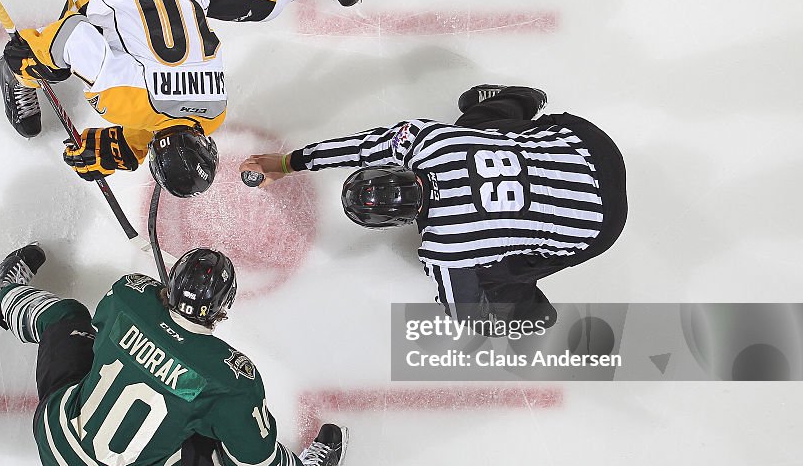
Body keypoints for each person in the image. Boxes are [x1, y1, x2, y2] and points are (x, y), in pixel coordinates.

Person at [0, 0, 361, 197]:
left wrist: (130, 146)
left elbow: (160, 108)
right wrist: (31, 62)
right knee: (47, 53)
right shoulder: (122, 103)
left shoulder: (213, 113)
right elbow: (74, 36)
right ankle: (19, 77)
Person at [0, 243, 347, 466]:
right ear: (224, 308)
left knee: (64, 318)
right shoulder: (231, 377)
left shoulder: (130, 294)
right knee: (235, 445)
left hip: (57, 439)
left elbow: (100, 334)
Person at [239, 85, 627, 329]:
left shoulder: (445, 249)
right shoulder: (427, 141)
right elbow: (360, 146)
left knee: (497, 275)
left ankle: (530, 314)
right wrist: (288, 163)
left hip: (599, 224)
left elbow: (467, 314)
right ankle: (514, 101)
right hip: (588, 144)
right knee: (474, 132)